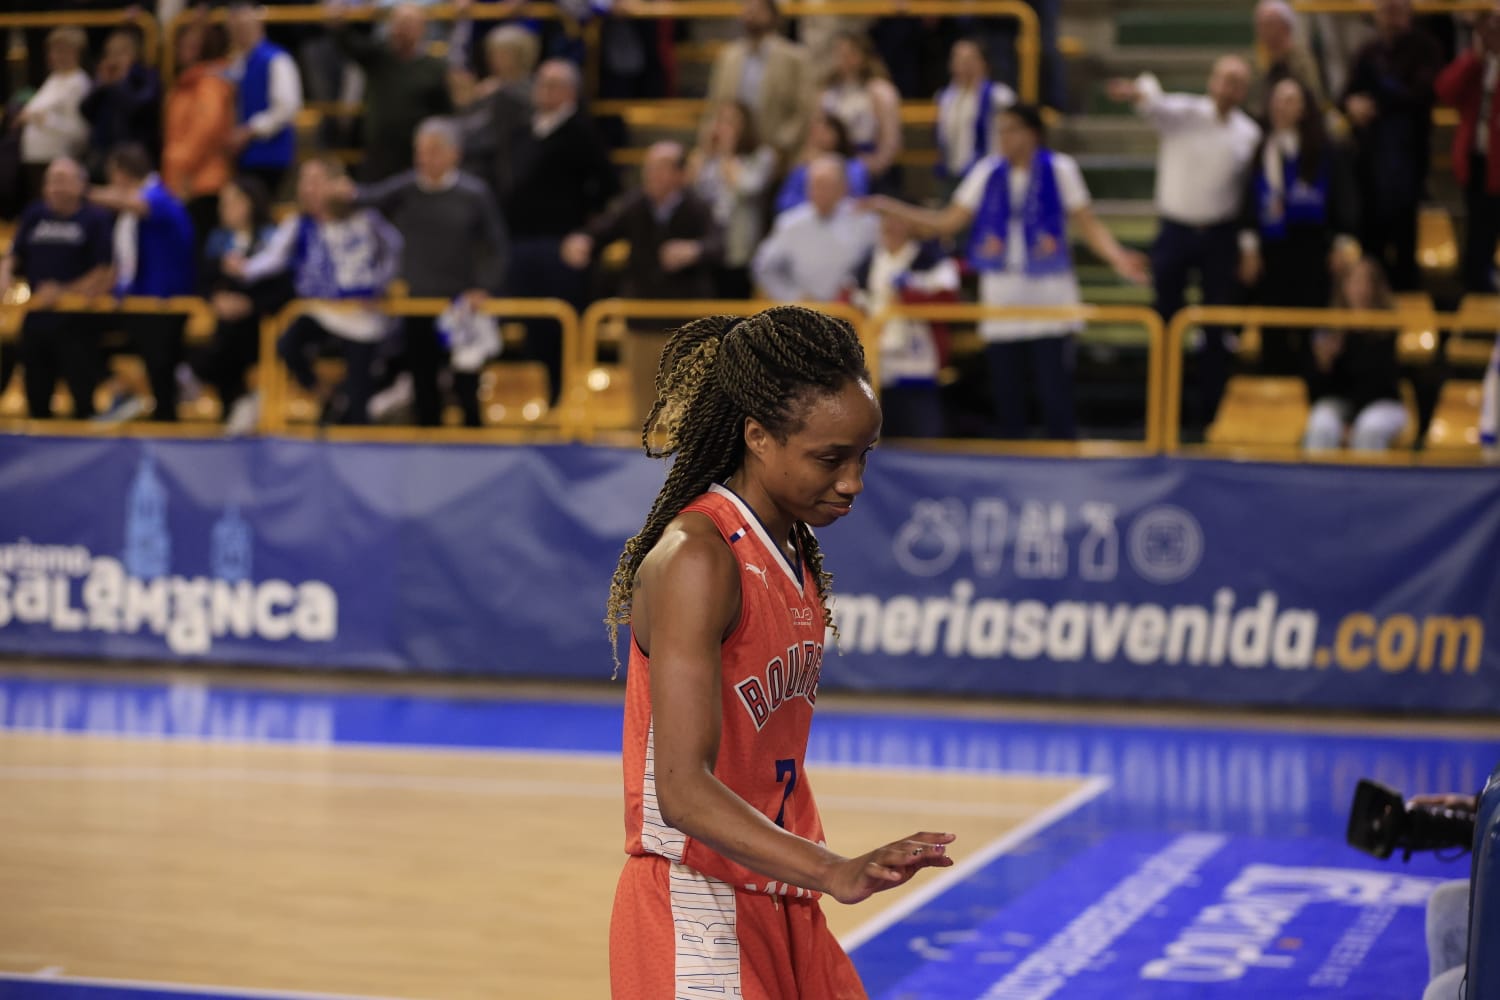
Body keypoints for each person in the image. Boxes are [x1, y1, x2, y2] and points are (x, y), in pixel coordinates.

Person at [604, 304, 957, 999]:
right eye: (830, 459)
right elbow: (682, 792)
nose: (853, 480)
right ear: (759, 437)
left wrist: (815, 875)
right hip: (699, 910)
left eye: (864, 456)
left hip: (782, 899)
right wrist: (834, 868)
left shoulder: (789, 546)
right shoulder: (698, 560)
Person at [871, 104, 1148, 441]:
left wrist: (1119, 258)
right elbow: (946, 222)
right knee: (1008, 401)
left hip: (1051, 301)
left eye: (1010, 129)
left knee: (1055, 398)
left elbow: (1088, 226)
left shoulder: (1060, 168)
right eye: (1000, 129)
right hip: (1002, 301)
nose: (1003, 137)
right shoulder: (987, 171)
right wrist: (893, 208)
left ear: (1032, 133)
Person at [1108, 57, 1260, 425]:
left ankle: (1211, 412)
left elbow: (1250, 193)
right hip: (1175, 231)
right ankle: (1162, 409)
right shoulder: (1184, 113)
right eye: (1224, 78)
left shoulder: (1249, 133)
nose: (1228, 87)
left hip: (1220, 236)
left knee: (1215, 326)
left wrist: (1248, 245)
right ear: (1212, 81)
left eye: (1237, 81)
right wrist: (1136, 92)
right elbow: (1153, 103)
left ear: (1244, 90)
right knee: (1165, 318)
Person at [351, 118, 508, 428]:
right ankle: (427, 448)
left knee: (466, 380)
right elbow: (366, 198)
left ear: (454, 154)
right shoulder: (406, 188)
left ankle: (473, 445)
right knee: (423, 380)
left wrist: (485, 287)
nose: (425, 159)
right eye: (420, 151)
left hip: (462, 304)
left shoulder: (474, 194)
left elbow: (496, 247)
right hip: (417, 300)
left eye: (434, 151)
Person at [226, 157, 404, 426]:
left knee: (359, 402)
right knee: (287, 343)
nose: (308, 189)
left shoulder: (366, 218)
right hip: (319, 309)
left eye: (316, 182)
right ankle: (325, 394)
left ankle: (350, 418)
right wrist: (245, 269)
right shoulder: (300, 224)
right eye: (305, 182)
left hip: (362, 314)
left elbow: (394, 249)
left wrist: (381, 285)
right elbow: (274, 257)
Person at [563, 141, 722, 426]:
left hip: (685, 321)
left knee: (686, 403)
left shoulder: (698, 207)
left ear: (680, 175)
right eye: (648, 168)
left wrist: (693, 250)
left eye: (660, 168)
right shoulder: (634, 205)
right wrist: (583, 240)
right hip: (641, 318)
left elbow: (719, 245)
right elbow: (603, 230)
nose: (651, 175)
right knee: (642, 407)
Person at [505, 59, 618, 403]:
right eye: (540, 83)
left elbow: (607, 187)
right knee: (531, 323)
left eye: (552, 85)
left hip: (561, 245)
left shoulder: (583, 133)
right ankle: (540, 393)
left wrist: (586, 233)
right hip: (522, 240)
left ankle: (566, 395)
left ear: (570, 91)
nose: (544, 91)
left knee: (562, 324)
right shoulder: (523, 131)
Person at [1238, 77, 1360, 376]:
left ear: (1305, 108)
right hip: (1273, 252)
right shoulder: (1260, 149)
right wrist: (1249, 249)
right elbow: (1249, 203)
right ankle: (1274, 403)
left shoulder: (1325, 149)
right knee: (1274, 332)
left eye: (1291, 99)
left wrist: (1342, 243)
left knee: (1312, 333)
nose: (1282, 106)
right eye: (1278, 99)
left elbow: (1344, 199)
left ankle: (1314, 398)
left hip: (1314, 251)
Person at [87, 143, 197, 423]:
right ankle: (130, 392)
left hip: (162, 300)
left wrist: (83, 192)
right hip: (137, 299)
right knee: (78, 330)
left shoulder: (159, 196)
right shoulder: (136, 211)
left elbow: (136, 203)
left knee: (161, 369)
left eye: (113, 177)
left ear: (123, 175)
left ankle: (166, 417)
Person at [1340, 0, 1444, 291]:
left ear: (1409, 12)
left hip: (1407, 167)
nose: (1390, 17)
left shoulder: (1426, 48)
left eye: (1396, 9)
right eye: (1385, 10)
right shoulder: (1368, 51)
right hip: (1370, 168)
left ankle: (1406, 323)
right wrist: (1352, 105)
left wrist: (1376, 95)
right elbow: (1344, 95)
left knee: (1404, 253)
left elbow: (1418, 96)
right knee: (1370, 250)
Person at [0, 156, 113, 419]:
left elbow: (104, 270)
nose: (55, 188)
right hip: (36, 319)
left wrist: (63, 292)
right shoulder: (34, 214)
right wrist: (4, 271)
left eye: (61, 181)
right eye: (50, 181)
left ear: (79, 185)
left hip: (77, 321)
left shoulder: (95, 219)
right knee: (37, 398)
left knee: (82, 400)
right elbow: (15, 254)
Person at [186, 174, 290, 434]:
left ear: (250, 203)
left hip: (261, 324)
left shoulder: (273, 238)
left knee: (227, 342)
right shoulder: (218, 241)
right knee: (218, 342)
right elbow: (202, 280)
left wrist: (250, 305)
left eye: (232, 201)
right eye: (223, 202)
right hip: (226, 324)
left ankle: (237, 399)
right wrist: (217, 299)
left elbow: (284, 286)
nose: (224, 208)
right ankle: (240, 401)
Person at [845, 213, 961, 438]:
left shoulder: (931, 260)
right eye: (887, 222)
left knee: (923, 434)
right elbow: (847, 300)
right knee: (878, 437)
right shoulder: (867, 262)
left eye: (898, 221)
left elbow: (948, 299)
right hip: (877, 365)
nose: (892, 228)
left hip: (919, 364)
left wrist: (909, 295)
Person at [331, 2, 452, 182]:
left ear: (422, 29)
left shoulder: (435, 67)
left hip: (417, 154)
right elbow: (350, 47)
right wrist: (338, 26)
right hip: (379, 151)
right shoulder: (378, 57)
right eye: (398, 24)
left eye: (408, 24)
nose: (402, 30)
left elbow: (444, 111)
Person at [1303, 256, 1407, 452]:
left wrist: (1352, 424)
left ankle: (1369, 484)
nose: (1360, 289)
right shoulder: (1330, 328)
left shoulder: (1387, 328)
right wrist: (1324, 364)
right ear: (1344, 286)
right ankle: (1318, 482)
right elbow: (1316, 393)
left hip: (1383, 404)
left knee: (1369, 429)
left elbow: (1381, 382)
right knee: (1321, 425)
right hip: (1341, 406)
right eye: (1354, 281)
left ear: (1377, 287)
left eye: (1366, 281)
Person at [1435, 3, 1500, 294]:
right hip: (1477, 163)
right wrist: (1475, 57)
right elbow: (1446, 91)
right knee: (1476, 241)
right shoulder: (1476, 63)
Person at [753, 154, 879, 304]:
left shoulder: (865, 222)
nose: (820, 191)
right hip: (804, 314)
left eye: (827, 185)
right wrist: (792, 297)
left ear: (844, 187)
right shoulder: (790, 222)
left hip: (853, 312)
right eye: (815, 184)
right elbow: (764, 267)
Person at [703, 0, 815, 162]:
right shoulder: (728, 57)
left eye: (758, 8)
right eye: (747, 7)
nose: (751, 13)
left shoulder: (795, 58)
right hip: (733, 152)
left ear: (773, 15)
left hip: (778, 151)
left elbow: (804, 109)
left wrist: (782, 145)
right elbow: (714, 104)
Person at [689, 101, 777, 299]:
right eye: (721, 120)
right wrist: (703, 157)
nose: (724, 127)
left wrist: (727, 153)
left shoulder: (761, 156)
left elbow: (747, 188)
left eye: (731, 121)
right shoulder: (705, 158)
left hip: (738, 243)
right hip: (707, 240)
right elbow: (693, 194)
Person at [162, 18, 235, 254]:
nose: (184, 50)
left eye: (192, 45)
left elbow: (207, 129)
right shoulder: (186, 82)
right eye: (183, 44)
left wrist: (182, 169)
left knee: (198, 250)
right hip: (183, 180)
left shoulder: (210, 83)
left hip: (202, 182)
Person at [224, 0, 304, 198]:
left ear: (258, 25)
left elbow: (287, 107)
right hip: (244, 157)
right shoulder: (238, 62)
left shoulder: (276, 58)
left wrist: (249, 131)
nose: (239, 32)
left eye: (243, 26)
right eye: (235, 27)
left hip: (270, 155)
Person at [14, 28, 91, 208]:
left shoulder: (78, 83)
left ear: (76, 52)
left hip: (58, 162)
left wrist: (43, 120)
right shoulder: (53, 79)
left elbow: (79, 131)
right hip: (34, 158)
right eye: (53, 50)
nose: (55, 56)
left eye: (62, 50)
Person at [819, 31, 903, 194]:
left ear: (864, 57)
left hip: (869, 163)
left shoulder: (879, 91)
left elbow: (891, 139)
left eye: (850, 54)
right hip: (834, 161)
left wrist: (874, 166)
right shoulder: (827, 92)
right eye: (840, 53)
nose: (844, 59)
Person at [934, 38, 1017, 198]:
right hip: (952, 172)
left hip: (988, 173)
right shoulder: (945, 97)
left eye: (968, 59)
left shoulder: (1000, 96)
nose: (961, 64)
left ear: (983, 62)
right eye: (956, 58)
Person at [79, 26, 162, 179]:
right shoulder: (105, 81)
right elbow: (85, 111)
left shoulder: (147, 76)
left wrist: (121, 82)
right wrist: (101, 86)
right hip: (104, 153)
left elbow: (139, 108)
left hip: (137, 154)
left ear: (134, 52)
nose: (113, 59)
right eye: (109, 53)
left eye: (120, 52)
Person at [775, 109, 870, 214]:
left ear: (837, 133)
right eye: (814, 131)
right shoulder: (802, 169)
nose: (818, 135)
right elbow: (784, 202)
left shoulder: (853, 167)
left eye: (824, 130)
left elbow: (857, 199)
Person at [1249, 0, 1326, 121]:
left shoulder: (1301, 61)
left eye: (1268, 24)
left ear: (1285, 26)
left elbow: (1313, 99)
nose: (1261, 30)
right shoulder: (1259, 59)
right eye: (1259, 24)